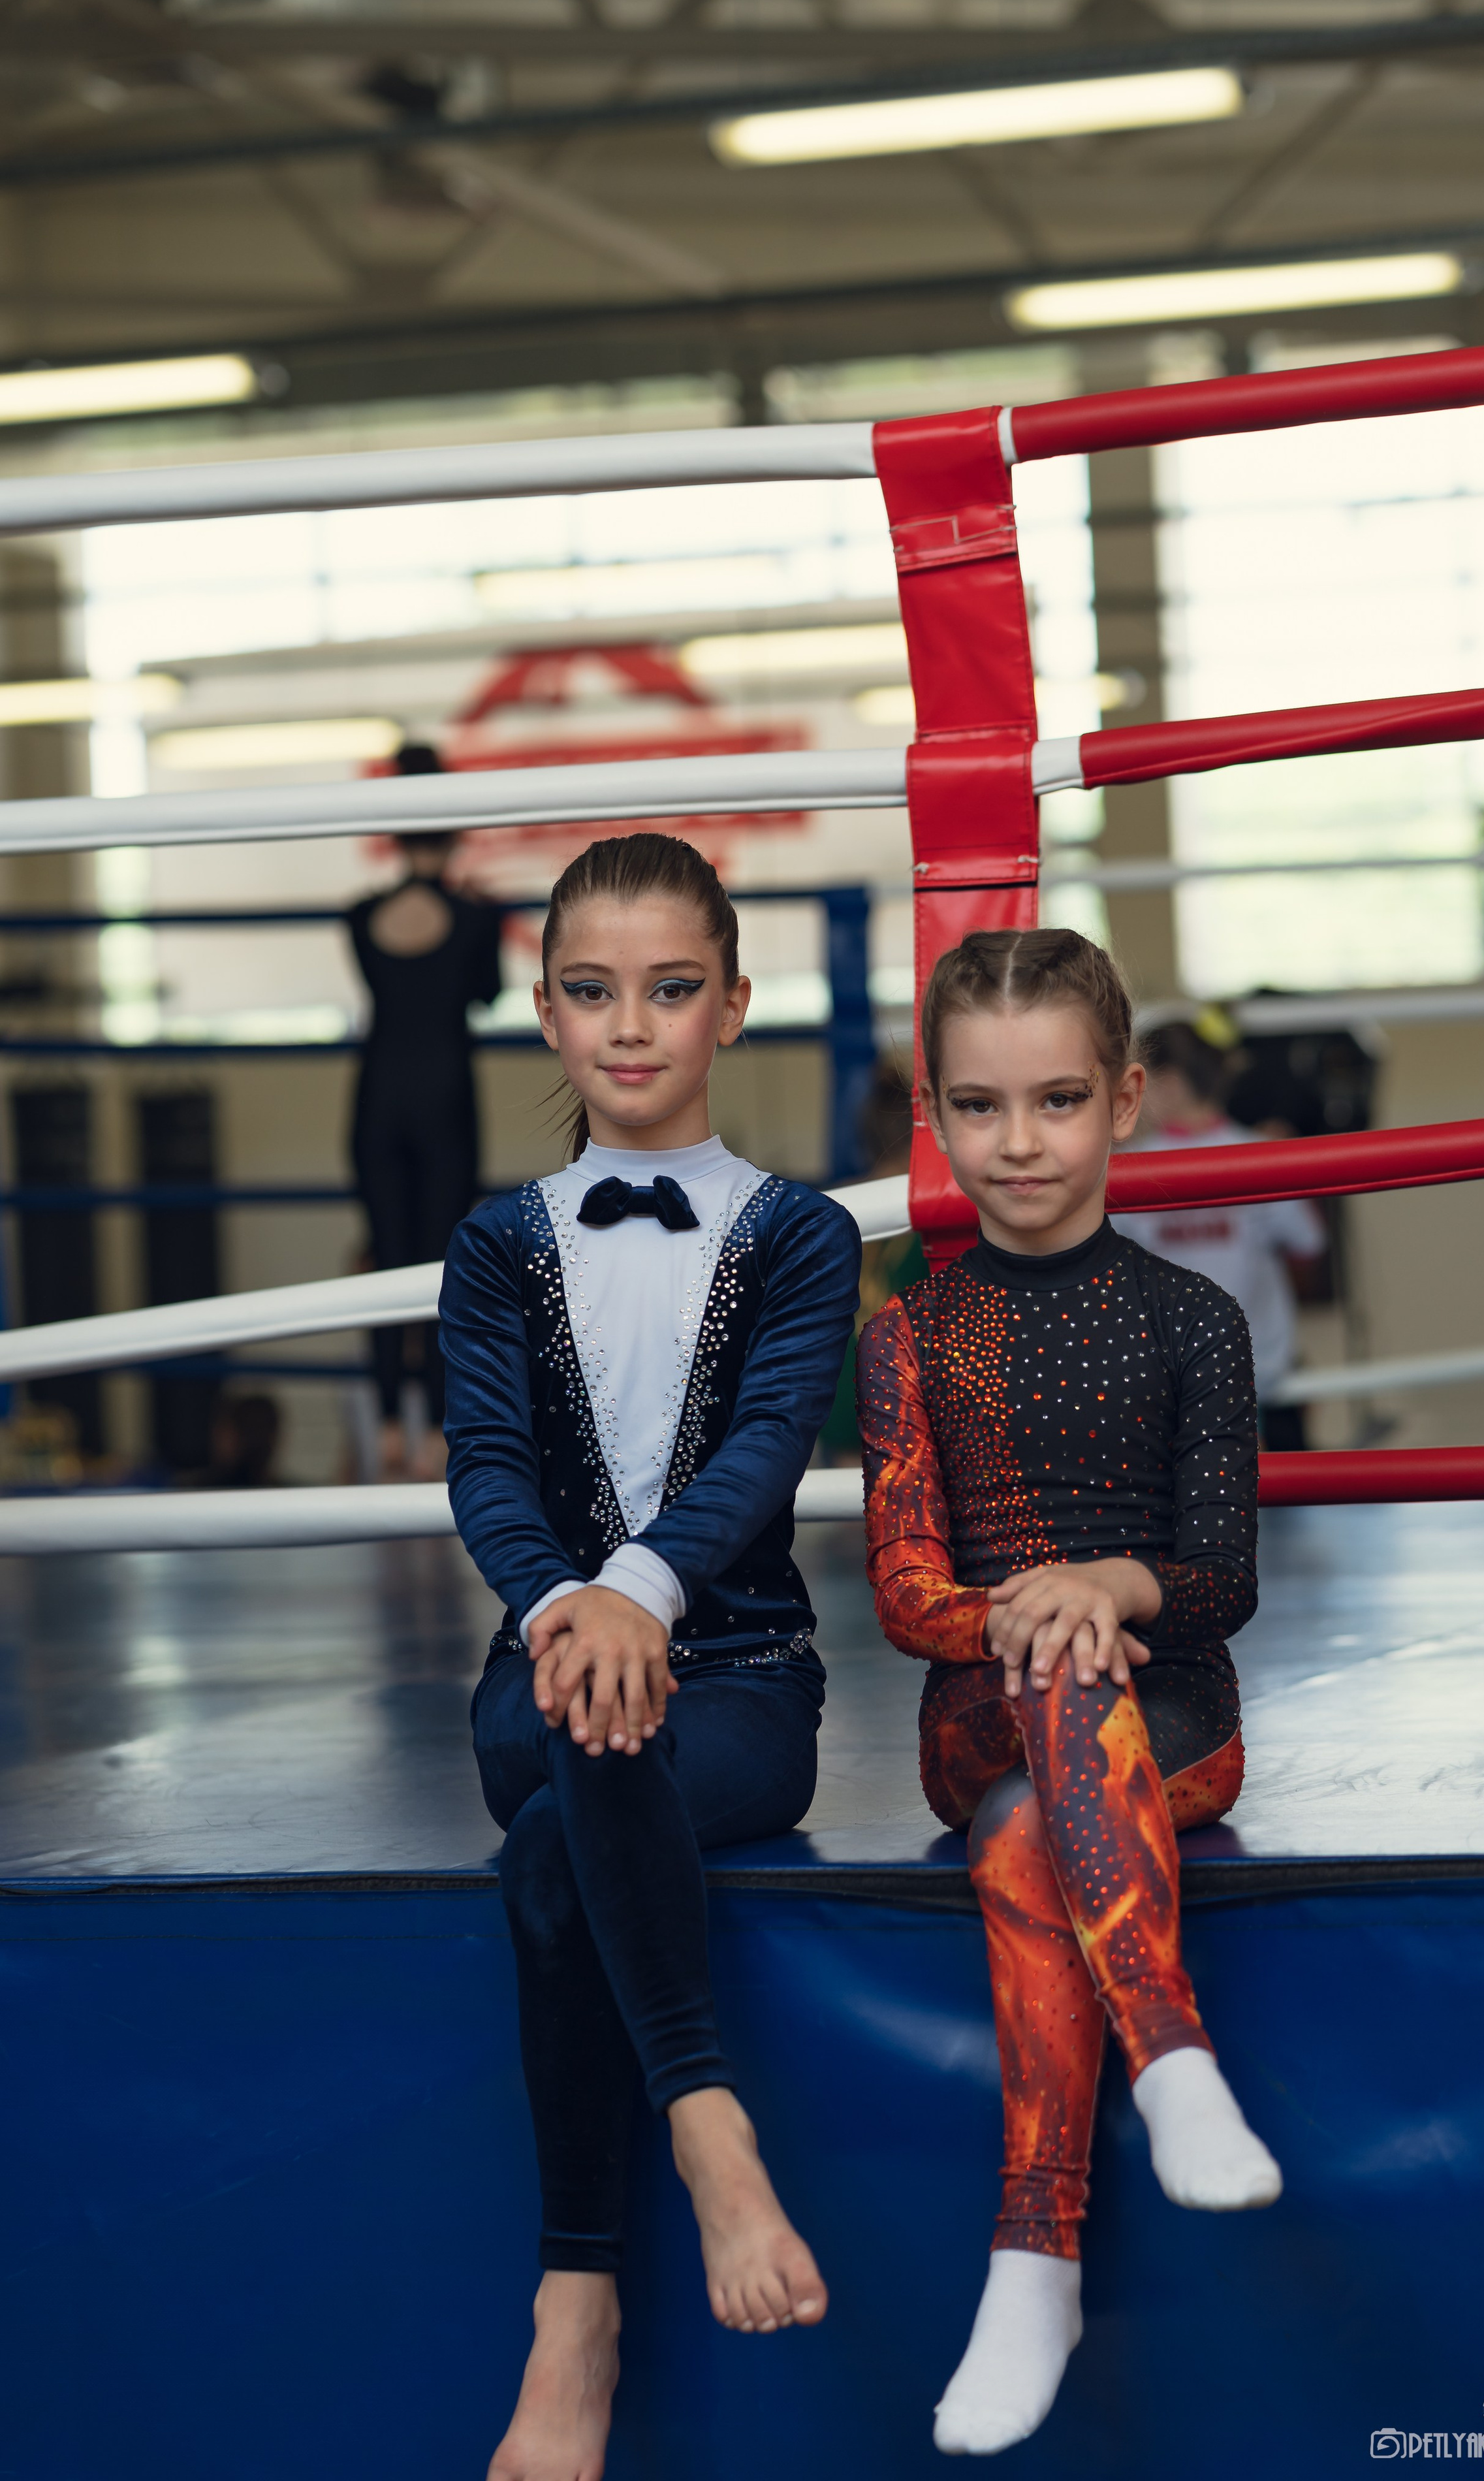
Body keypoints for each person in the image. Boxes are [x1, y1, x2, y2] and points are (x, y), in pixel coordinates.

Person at [439, 832, 862, 2481]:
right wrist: (570, 1608)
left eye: (671, 991)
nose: (633, 1025)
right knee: (571, 1734)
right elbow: (482, 1460)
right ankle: (707, 2124)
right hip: (538, 1669)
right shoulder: (495, 1243)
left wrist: (640, 1597)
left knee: (567, 1816)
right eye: (595, 991)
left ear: (732, 1006)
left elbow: (762, 1448)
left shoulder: (800, 1231)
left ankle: (575, 2299)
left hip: (743, 1679)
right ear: (542, 1010)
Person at [856, 931, 1280, 2459]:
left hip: (1172, 1720)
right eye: (977, 1106)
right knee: (1041, 1688)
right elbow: (907, 1595)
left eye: (1052, 1101)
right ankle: (1172, 2060)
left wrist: (1108, 1584)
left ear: (1124, 1101)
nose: (1015, 1142)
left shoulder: (1191, 1323)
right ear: (934, 1110)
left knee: (1031, 1827)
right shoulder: (906, 1330)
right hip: (978, 1704)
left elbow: (1220, 1576)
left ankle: (1030, 2263)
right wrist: (1036, 1609)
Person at [347, 769, 502, 1479]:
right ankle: (440, 1435)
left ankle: (387, 1427)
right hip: (444, 1096)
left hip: (378, 1096)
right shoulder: (473, 916)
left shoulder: (357, 916)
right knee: (446, 1265)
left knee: (386, 1256)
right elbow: (487, 994)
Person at [1121, 1017, 1327, 1451]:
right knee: (1282, 1510)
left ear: (1171, 1082)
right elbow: (1310, 1242)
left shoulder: (1130, 1169)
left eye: (1143, 1081)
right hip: (1254, 1371)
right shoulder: (1256, 1152)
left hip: (1181, 1382)